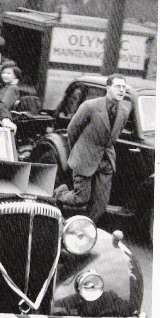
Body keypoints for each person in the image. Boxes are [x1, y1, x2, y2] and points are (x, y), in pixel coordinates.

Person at [54, 75, 131, 222]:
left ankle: (85, 231)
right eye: (117, 86)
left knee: (100, 205)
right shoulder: (90, 106)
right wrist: (78, 151)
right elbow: (72, 129)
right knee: (80, 198)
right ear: (108, 88)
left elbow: (114, 135)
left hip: (106, 161)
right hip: (85, 157)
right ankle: (59, 192)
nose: (121, 90)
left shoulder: (124, 112)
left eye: (123, 87)